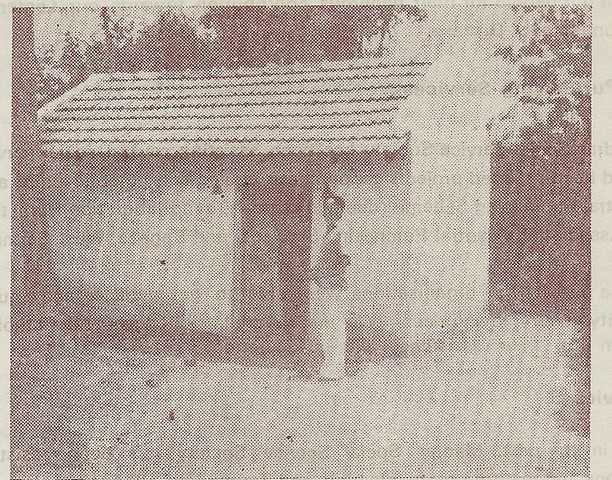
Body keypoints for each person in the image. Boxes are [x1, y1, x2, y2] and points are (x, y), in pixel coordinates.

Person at [310, 193, 350, 380]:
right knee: (326, 327)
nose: (329, 213)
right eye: (326, 209)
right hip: (324, 286)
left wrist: (328, 274)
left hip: (335, 287)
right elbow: (323, 260)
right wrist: (314, 272)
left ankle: (336, 370)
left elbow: (346, 260)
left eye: (333, 209)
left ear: (340, 212)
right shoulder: (326, 233)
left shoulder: (341, 232)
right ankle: (328, 368)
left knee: (335, 327)